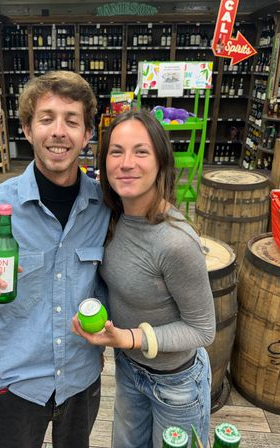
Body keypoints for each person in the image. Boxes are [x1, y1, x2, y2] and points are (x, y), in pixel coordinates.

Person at [0, 71, 110, 448]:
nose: (59, 131)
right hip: (14, 388)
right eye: (46, 119)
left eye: (72, 121)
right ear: (27, 129)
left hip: (80, 381)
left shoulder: (104, 207)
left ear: (87, 135)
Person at [72, 110, 216, 448]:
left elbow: (202, 329)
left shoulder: (175, 242)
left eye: (141, 151)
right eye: (116, 151)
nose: (126, 163)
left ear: (160, 162)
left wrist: (127, 338)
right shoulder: (113, 218)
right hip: (129, 370)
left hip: (176, 383)